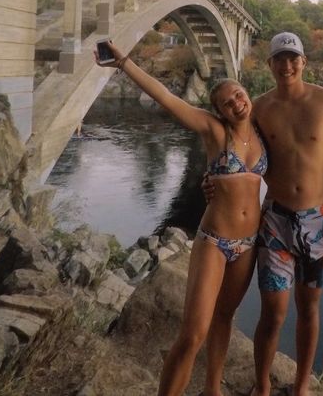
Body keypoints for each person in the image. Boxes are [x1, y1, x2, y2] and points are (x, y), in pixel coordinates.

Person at [98, 39, 266, 396]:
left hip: (249, 243)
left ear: (247, 94)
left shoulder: (263, 132)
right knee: (193, 334)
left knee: (224, 319)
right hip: (215, 241)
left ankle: (212, 390)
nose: (236, 103)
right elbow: (166, 98)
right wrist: (124, 63)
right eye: (227, 103)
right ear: (219, 111)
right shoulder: (215, 131)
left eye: (239, 95)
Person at [248, 31, 323, 396]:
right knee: (272, 313)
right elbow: (237, 152)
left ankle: (302, 386)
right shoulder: (259, 108)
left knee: (309, 309)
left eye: (293, 58)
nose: (287, 65)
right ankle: (262, 386)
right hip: (275, 222)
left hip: (317, 223)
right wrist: (212, 181)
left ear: (304, 62)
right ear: (270, 64)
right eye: (280, 59)